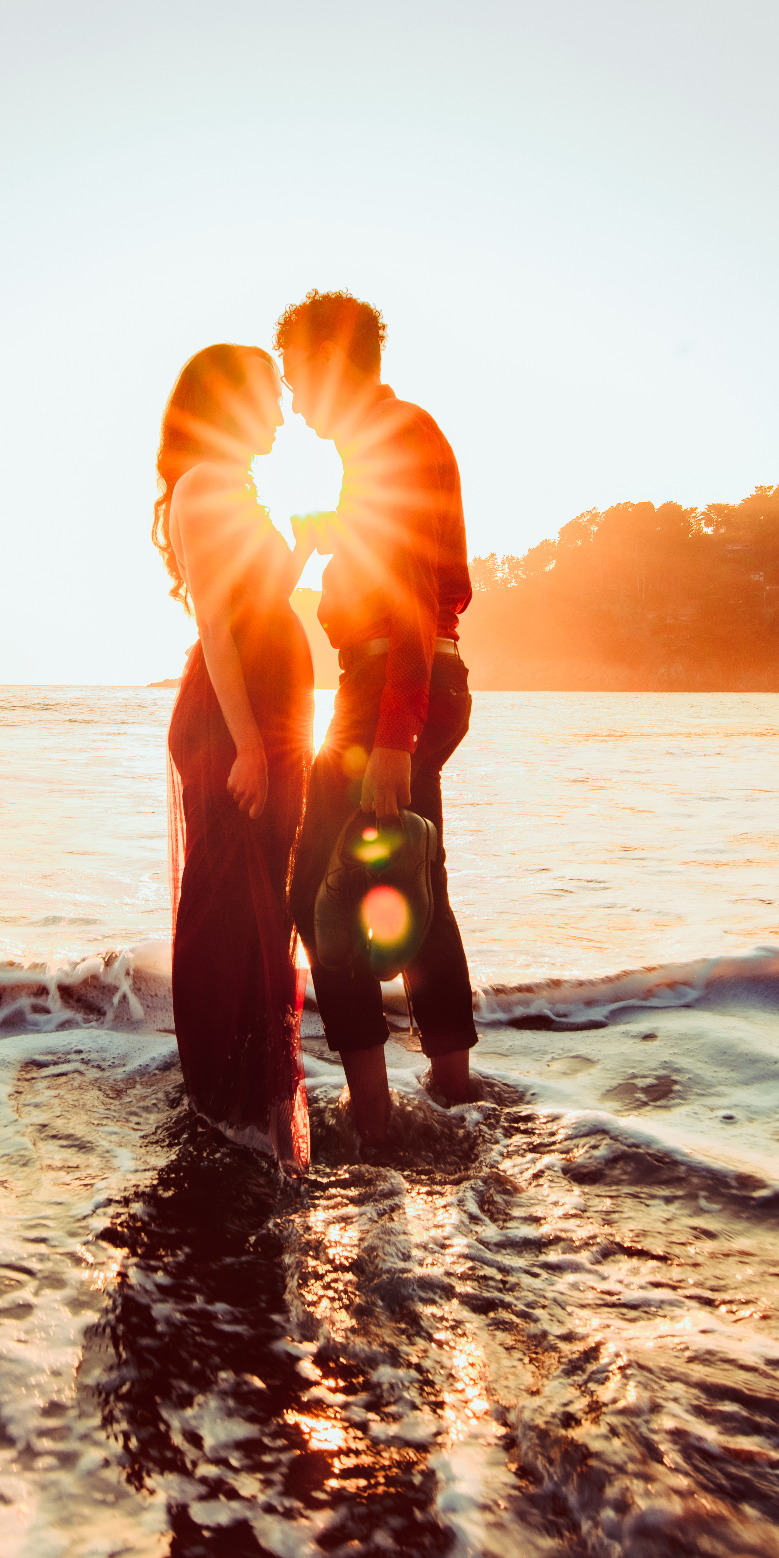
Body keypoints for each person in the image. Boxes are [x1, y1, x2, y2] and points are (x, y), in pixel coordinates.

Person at [279, 291, 477, 1148]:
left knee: (315, 897)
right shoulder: (393, 438)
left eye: (293, 376)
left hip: (390, 690)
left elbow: (408, 597)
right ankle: (451, 1082)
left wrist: (393, 735)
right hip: (420, 679)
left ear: (328, 359)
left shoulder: (391, 439)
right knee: (412, 884)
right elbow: (407, 568)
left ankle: (371, 1116)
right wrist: (342, 537)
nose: (291, 398)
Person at [153, 344, 317, 1173]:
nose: (284, 413)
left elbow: (259, 602)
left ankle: (242, 1100)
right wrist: (249, 744)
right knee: (234, 912)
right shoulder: (207, 486)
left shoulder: (228, 486)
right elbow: (218, 627)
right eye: (270, 397)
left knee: (260, 905)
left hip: (258, 713)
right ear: (230, 403)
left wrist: (302, 548)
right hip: (234, 722)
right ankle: (228, 1100)